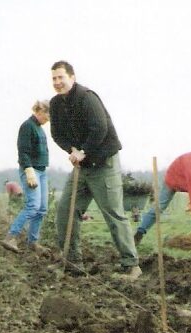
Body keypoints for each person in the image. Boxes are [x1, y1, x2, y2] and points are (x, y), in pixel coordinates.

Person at [49, 61, 140, 281]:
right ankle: (72, 263)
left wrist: (83, 151)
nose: (57, 82)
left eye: (61, 77)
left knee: (113, 213)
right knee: (66, 211)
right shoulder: (55, 104)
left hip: (103, 163)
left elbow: (100, 128)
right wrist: (71, 149)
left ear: (72, 77)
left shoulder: (87, 97)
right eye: (54, 79)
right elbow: (56, 134)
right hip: (82, 166)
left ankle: (131, 265)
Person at [1, 100, 50, 255]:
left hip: (42, 171)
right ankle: (10, 237)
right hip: (32, 171)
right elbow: (23, 152)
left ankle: (33, 242)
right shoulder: (27, 126)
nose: (49, 118)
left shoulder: (40, 128)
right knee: (33, 206)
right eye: (48, 114)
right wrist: (29, 171)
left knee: (42, 209)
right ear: (40, 110)